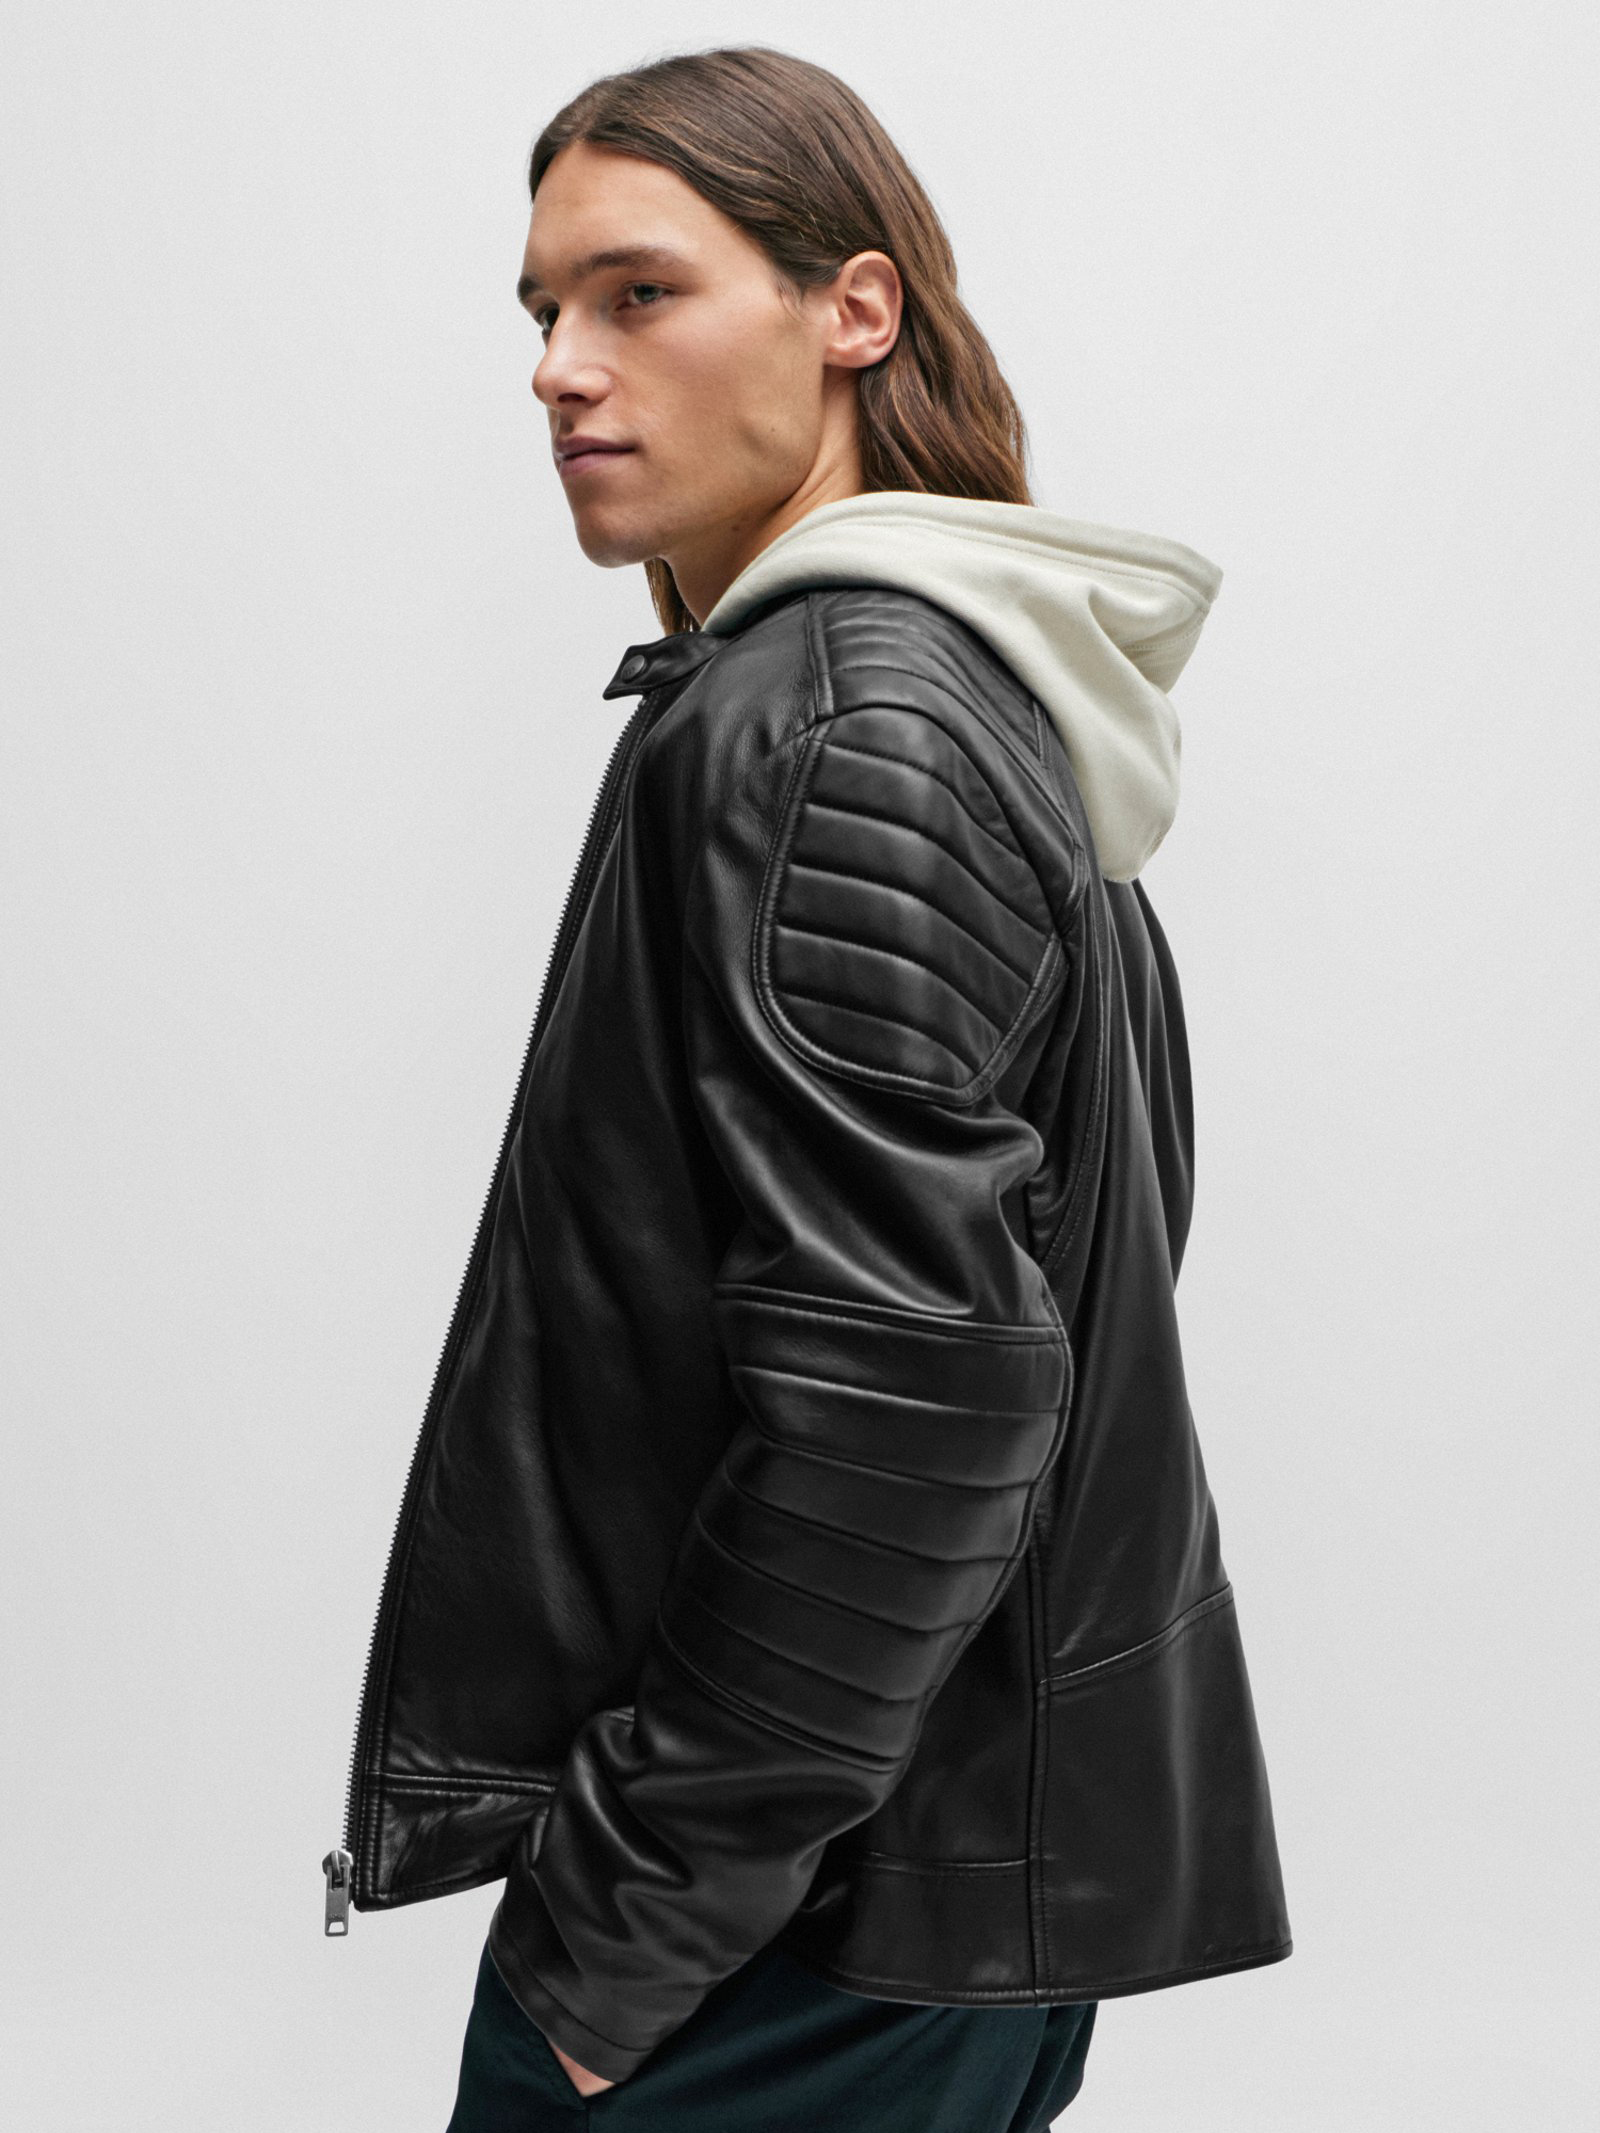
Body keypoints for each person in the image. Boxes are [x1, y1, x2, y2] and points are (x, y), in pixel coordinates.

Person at [322, 44, 1291, 2130]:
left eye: (638, 292)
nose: (559, 368)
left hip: (799, 1943)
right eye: (543, 311)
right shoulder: (951, 696)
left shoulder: (842, 723)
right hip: (902, 1894)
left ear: (853, 310)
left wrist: (621, 1932)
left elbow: (915, 1405)